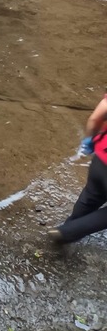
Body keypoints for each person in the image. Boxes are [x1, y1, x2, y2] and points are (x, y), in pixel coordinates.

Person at [49, 94, 107, 243]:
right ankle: (67, 232)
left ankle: (70, 225)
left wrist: (89, 140)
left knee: (91, 196)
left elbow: (95, 118)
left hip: (100, 159)